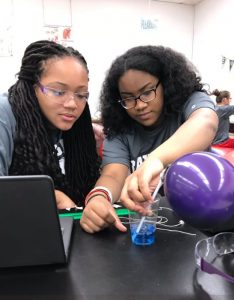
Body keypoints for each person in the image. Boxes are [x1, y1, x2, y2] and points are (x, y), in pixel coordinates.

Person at [80, 45, 218, 234]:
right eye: (128, 99)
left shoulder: (189, 102)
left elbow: (206, 122)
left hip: (200, 220)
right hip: (148, 229)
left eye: (146, 92)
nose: (139, 105)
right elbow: (113, 175)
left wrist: (156, 160)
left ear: (167, 84)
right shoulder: (120, 129)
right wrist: (99, 197)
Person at [0, 40, 100, 209]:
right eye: (59, 92)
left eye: (81, 95)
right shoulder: (5, 114)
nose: (72, 104)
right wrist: (49, 196)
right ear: (32, 87)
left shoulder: (77, 124)